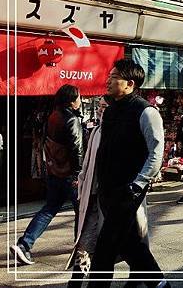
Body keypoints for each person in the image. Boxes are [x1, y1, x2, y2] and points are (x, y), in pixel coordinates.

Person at [88, 59, 167, 287]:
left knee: (104, 248)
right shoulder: (110, 111)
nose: (108, 81)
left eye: (114, 77)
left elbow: (156, 151)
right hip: (107, 190)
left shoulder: (146, 111)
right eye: (110, 75)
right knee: (130, 244)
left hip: (128, 191)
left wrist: (138, 184)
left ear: (129, 83)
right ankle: (160, 284)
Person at [11, 84, 83, 266]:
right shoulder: (71, 119)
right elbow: (76, 149)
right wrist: (78, 174)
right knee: (82, 212)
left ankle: (24, 244)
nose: (80, 101)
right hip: (70, 175)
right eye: (79, 98)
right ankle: (80, 250)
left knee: (49, 209)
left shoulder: (52, 116)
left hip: (54, 172)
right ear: (72, 101)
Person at [66, 96, 110, 287]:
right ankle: (76, 281)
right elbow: (87, 161)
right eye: (99, 106)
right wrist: (82, 181)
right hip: (92, 196)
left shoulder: (114, 132)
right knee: (85, 241)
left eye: (104, 107)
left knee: (128, 247)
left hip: (109, 199)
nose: (100, 110)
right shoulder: (97, 131)